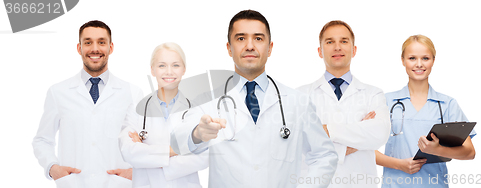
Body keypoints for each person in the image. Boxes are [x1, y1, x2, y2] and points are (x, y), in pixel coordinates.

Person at [170, 10, 338, 187]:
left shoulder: (297, 102)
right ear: (229, 48)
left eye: (258, 38)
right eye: (241, 38)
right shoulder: (208, 101)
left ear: (270, 48)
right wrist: (197, 133)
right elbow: (177, 138)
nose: (250, 46)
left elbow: (325, 155)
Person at [32, 20, 142, 188]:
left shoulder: (132, 92)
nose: (95, 49)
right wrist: (53, 168)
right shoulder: (58, 92)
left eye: (101, 42)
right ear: (79, 48)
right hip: (74, 183)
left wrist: (136, 172)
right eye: (88, 42)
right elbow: (42, 140)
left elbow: (145, 142)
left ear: (111, 48)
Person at [297, 20, 390, 188]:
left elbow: (380, 133)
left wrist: (326, 130)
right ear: (320, 51)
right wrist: (357, 138)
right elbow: (301, 144)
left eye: (344, 41)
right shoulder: (300, 96)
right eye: (330, 41)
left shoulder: (372, 93)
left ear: (354, 50)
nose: (337, 47)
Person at [375, 35, 476, 188]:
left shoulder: (447, 104)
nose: (419, 64)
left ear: (433, 61)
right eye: (412, 58)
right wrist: (399, 164)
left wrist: (439, 149)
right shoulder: (386, 101)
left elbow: (469, 152)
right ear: (402, 60)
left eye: (425, 58)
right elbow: (363, 149)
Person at [119, 42, 208, 188]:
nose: (169, 72)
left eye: (175, 65)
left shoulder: (196, 111)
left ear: (184, 69)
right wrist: (176, 150)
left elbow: (204, 157)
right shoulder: (137, 108)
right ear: (152, 70)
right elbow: (128, 151)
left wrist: (147, 156)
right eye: (162, 66)